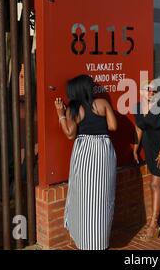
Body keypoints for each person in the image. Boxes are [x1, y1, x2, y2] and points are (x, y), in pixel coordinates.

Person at [54, 75, 117, 250]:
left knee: (84, 197)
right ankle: (100, 240)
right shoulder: (102, 103)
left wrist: (60, 113)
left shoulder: (74, 109)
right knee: (103, 196)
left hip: (85, 153)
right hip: (104, 152)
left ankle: (86, 240)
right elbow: (113, 126)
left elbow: (69, 134)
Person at [133, 81, 160, 241]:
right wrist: (135, 148)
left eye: (154, 90)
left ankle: (153, 225)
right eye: (148, 90)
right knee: (157, 184)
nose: (151, 92)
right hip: (150, 150)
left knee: (154, 184)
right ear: (141, 91)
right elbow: (138, 128)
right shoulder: (137, 107)